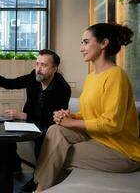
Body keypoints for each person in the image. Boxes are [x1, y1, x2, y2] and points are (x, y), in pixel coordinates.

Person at [33, 23, 140, 192]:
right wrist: (70, 116)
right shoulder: (91, 77)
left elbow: (112, 123)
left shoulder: (116, 76)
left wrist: (71, 124)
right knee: (55, 130)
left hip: (121, 152)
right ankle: (42, 188)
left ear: (103, 43)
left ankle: (40, 189)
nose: (81, 48)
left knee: (55, 153)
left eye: (85, 42)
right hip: (97, 140)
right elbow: (91, 113)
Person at [0, 49, 71, 191]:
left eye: (44, 65)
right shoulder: (33, 77)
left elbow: (51, 117)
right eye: (37, 64)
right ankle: (13, 168)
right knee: (5, 129)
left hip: (50, 125)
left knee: (43, 137)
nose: (38, 69)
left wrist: (25, 116)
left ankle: (37, 179)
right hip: (31, 122)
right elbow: (13, 83)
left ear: (55, 68)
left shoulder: (62, 88)